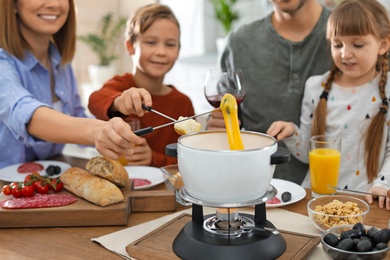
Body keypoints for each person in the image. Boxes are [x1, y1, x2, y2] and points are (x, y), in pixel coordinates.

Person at [267, 0, 390, 210]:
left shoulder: (386, 89)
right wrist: (291, 133)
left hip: (366, 201)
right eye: (337, 44)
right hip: (317, 201)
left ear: (383, 45)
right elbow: (309, 153)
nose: (345, 54)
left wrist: (383, 184)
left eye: (357, 45)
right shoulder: (317, 87)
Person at [0, 0, 150, 169]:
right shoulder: (2, 62)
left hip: (46, 182)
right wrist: (96, 131)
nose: (53, 4)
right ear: (12, 4)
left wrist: (117, 136)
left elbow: (76, 117)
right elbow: (26, 114)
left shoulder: (59, 60)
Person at [207, 0, 333, 184]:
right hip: (254, 187)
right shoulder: (239, 43)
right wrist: (215, 127)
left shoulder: (354, 35)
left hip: (336, 192)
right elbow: (223, 120)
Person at [88, 4, 195, 167]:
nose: (161, 51)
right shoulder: (120, 85)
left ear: (178, 51)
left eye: (170, 44)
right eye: (151, 42)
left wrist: (153, 159)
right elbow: (94, 101)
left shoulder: (183, 103)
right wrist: (120, 101)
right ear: (130, 46)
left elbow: (189, 161)